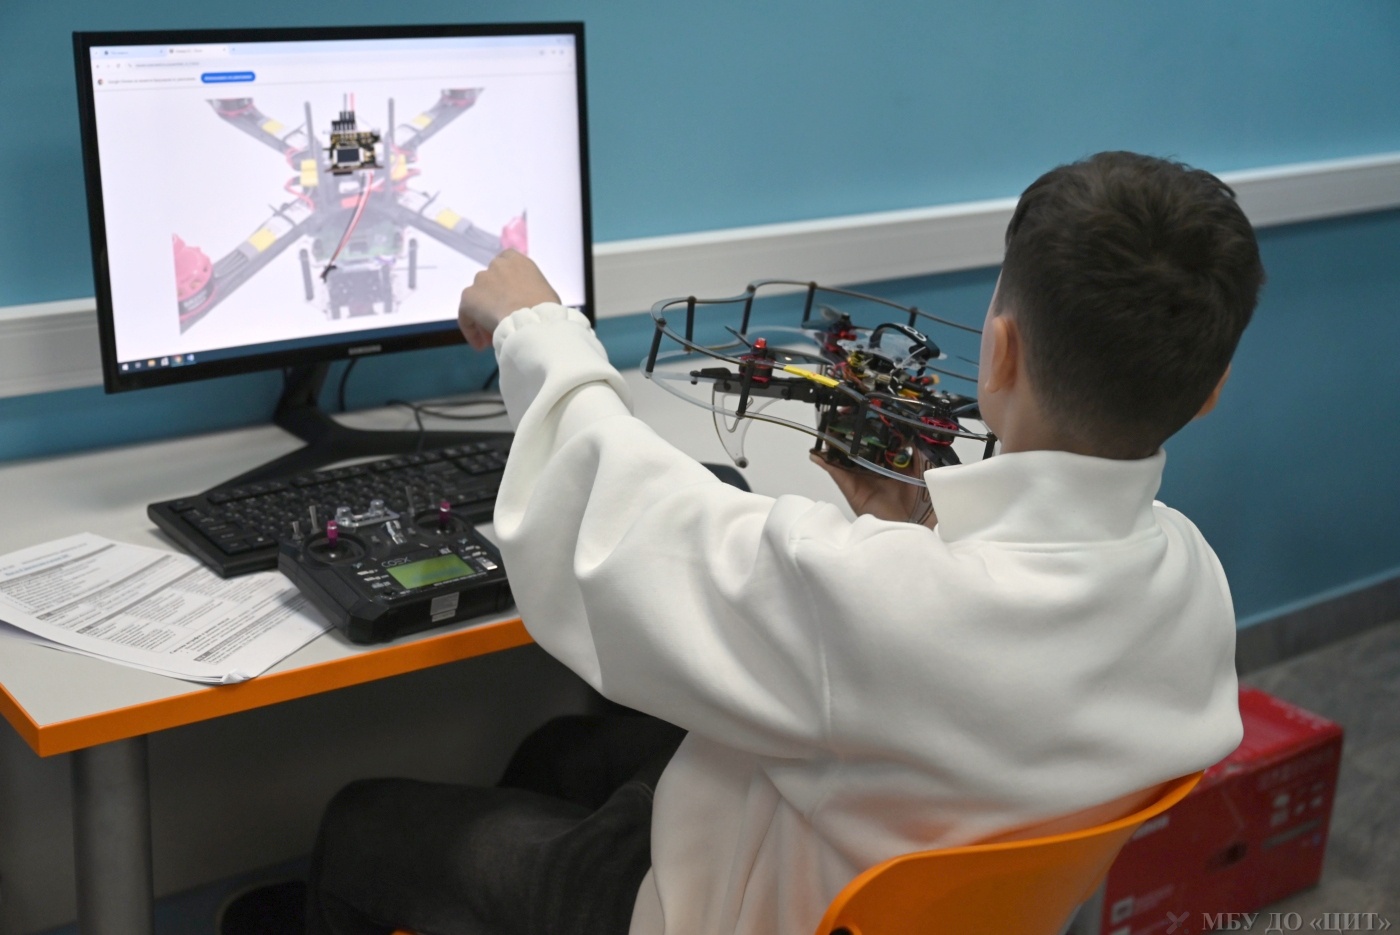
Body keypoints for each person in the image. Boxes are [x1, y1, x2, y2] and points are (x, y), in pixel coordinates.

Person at [255, 151, 1263, 935]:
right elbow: (983, 630)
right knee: (562, 752)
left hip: (725, 906)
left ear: (997, 349)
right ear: (1213, 390)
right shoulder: (1192, 581)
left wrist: (537, 330)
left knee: (362, 821)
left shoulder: (878, 604)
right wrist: (920, 525)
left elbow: (623, 526)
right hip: (874, 857)